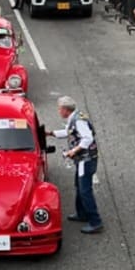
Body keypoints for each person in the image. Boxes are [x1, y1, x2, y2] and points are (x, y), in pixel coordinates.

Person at [46, 96, 101, 234]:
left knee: (85, 190)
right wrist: (51, 133)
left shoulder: (78, 121)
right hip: (83, 159)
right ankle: (81, 213)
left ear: (65, 109)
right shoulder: (75, 118)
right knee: (78, 186)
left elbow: (88, 138)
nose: (58, 111)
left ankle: (95, 222)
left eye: (59, 108)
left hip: (85, 160)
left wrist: (74, 151)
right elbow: (69, 132)